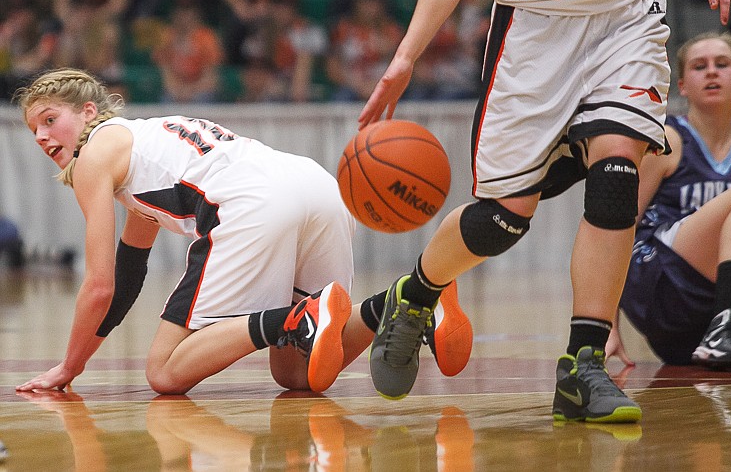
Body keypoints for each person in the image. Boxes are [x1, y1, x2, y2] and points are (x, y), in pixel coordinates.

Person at [357, 0, 731, 423]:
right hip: (533, 32)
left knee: (618, 171)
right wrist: (407, 55)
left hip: (626, 17)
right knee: (503, 219)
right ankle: (417, 293)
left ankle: (583, 365)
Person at [12, 68, 468, 395]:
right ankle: (407, 298)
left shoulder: (93, 156)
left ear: (88, 111)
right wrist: (78, 360)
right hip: (317, 187)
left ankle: (295, 319)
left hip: (252, 203)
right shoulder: (143, 145)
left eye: (50, 120)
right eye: (33, 130)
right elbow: (127, 277)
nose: (41, 136)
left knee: (165, 374)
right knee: (296, 376)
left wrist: (69, 367)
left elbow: (99, 286)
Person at [607, 32, 731, 372]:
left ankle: (724, 327)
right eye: (699, 66)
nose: (711, 72)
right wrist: (606, 325)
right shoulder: (665, 142)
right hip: (659, 284)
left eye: (722, 65)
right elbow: (615, 226)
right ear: (682, 85)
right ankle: (726, 326)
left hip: (702, 315)